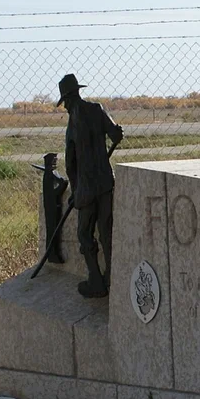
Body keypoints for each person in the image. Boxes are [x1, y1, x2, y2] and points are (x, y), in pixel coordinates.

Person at [58, 73, 124, 297]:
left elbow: (70, 163)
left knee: (85, 234)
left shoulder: (73, 124)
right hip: (105, 181)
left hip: (86, 188)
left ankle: (96, 280)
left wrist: (75, 190)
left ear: (69, 98)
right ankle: (112, 276)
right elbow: (115, 134)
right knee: (106, 230)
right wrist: (117, 134)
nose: (65, 107)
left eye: (64, 102)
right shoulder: (97, 109)